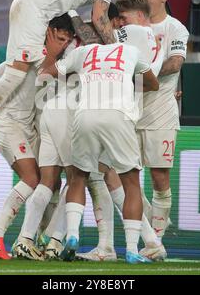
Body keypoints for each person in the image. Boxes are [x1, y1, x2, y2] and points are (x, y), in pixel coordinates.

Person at [0, 0, 159, 172]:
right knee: (17, 73)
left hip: (34, 7)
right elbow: (99, 14)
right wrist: (116, 53)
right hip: (34, 11)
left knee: (32, 64)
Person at [40, 25, 159, 263]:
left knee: (78, 178)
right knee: (131, 184)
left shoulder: (83, 52)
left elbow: (47, 72)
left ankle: (72, 235)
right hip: (117, 115)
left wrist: (58, 59)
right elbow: (153, 84)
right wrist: (126, 83)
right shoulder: (131, 51)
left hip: (85, 115)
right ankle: (133, 250)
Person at [0, 15, 74, 260]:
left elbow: (4, 69)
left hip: (26, 126)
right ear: (49, 33)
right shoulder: (38, 51)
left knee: (51, 180)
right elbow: (43, 72)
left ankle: (39, 238)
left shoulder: (42, 52)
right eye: (59, 38)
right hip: (8, 124)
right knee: (33, 178)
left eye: (67, 41)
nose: (62, 45)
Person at [133, 0, 189, 258]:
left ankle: (155, 242)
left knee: (159, 178)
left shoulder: (175, 28)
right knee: (122, 177)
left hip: (161, 111)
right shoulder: (131, 26)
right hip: (130, 109)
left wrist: (145, 75)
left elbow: (176, 62)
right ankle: (150, 235)